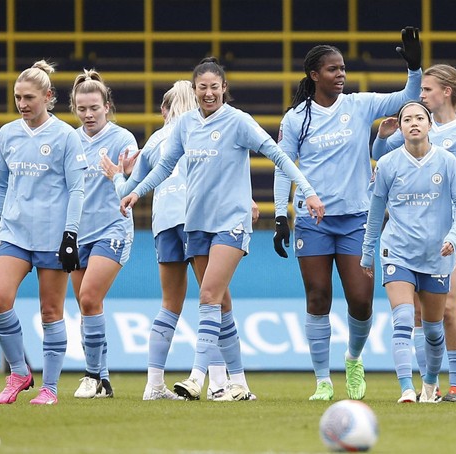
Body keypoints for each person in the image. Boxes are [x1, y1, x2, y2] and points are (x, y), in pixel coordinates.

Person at [120, 57, 325, 401]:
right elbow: (166, 166)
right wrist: (135, 192)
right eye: (203, 88)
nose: (209, 93)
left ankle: (198, 378)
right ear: (195, 90)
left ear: (224, 88)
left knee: (207, 295)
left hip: (231, 223)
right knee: (222, 304)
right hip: (195, 225)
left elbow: (279, 156)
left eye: (215, 87)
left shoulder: (239, 122)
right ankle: (240, 384)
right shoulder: (185, 125)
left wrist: (308, 192)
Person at [272, 27, 422, 401]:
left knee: (360, 299)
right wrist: (280, 214)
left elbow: (407, 98)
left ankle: (353, 358)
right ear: (314, 75)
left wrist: (415, 68)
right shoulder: (296, 119)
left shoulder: (359, 105)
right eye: (333, 69)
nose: (341, 75)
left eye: (342, 69)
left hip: (357, 219)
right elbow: (282, 165)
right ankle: (323, 381)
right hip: (314, 222)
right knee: (318, 297)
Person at [101, 80, 257, 401]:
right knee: (215, 300)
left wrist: (118, 174)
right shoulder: (199, 131)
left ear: (164, 111)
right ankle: (218, 384)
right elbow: (218, 176)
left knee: (170, 304)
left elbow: (126, 191)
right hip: (197, 219)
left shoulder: (155, 141)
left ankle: (154, 385)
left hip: (163, 224)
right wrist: (246, 202)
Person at [0, 60, 87, 405]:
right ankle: (19, 372)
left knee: (50, 312)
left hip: (51, 236)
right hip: (13, 233)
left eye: (29, 97)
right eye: (18, 97)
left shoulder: (66, 137)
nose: (22, 104)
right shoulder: (8, 133)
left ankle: (50, 388)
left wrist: (70, 235)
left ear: (48, 96)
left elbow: (76, 190)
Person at [371, 63, 456, 402]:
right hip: (402, 241)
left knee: (447, 311)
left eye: (427, 90)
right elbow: (381, 162)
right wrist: (382, 137)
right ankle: (412, 388)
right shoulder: (405, 140)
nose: (421, 96)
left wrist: (454, 235)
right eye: (408, 117)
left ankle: (453, 384)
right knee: (407, 315)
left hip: (446, 237)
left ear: (446, 92)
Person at [67, 69, 139, 399]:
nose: (88, 114)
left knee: (89, 297)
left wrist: (120, 176)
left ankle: (90, 376)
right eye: (82, 109)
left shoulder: (123, 139)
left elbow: (134, 187)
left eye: (94, 107)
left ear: (106, 106)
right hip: (78, 232)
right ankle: (105, 379)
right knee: (89, 307)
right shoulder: (69, 140)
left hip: (113, 227)